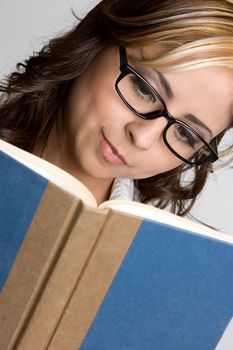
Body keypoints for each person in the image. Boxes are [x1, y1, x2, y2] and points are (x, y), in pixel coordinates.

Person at [0, 0, 232, 215]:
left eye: (185, 134)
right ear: (99, 40)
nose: (143, 138)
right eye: (143, 89)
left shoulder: (157, 253)